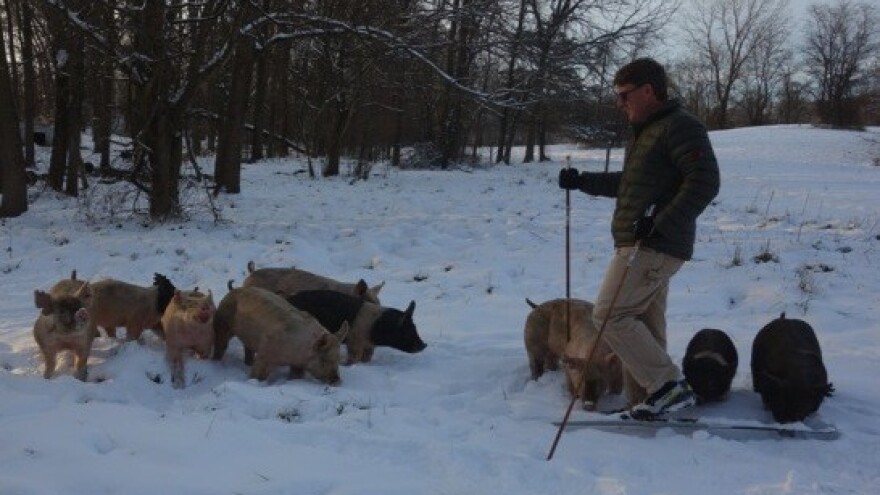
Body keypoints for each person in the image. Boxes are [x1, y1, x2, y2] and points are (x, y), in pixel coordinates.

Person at [559, 58, 720, 418]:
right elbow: (630, 186)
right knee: (644, 324)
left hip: (653, 244)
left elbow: (705, 181)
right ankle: (647, 401)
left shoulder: (680, 127)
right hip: (645, 242)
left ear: (648, 90)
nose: (620, 103)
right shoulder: (647, 132)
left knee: (610, 315)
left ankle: (666, 386)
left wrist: (659, 223)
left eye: (624, 95)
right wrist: (583, 181)